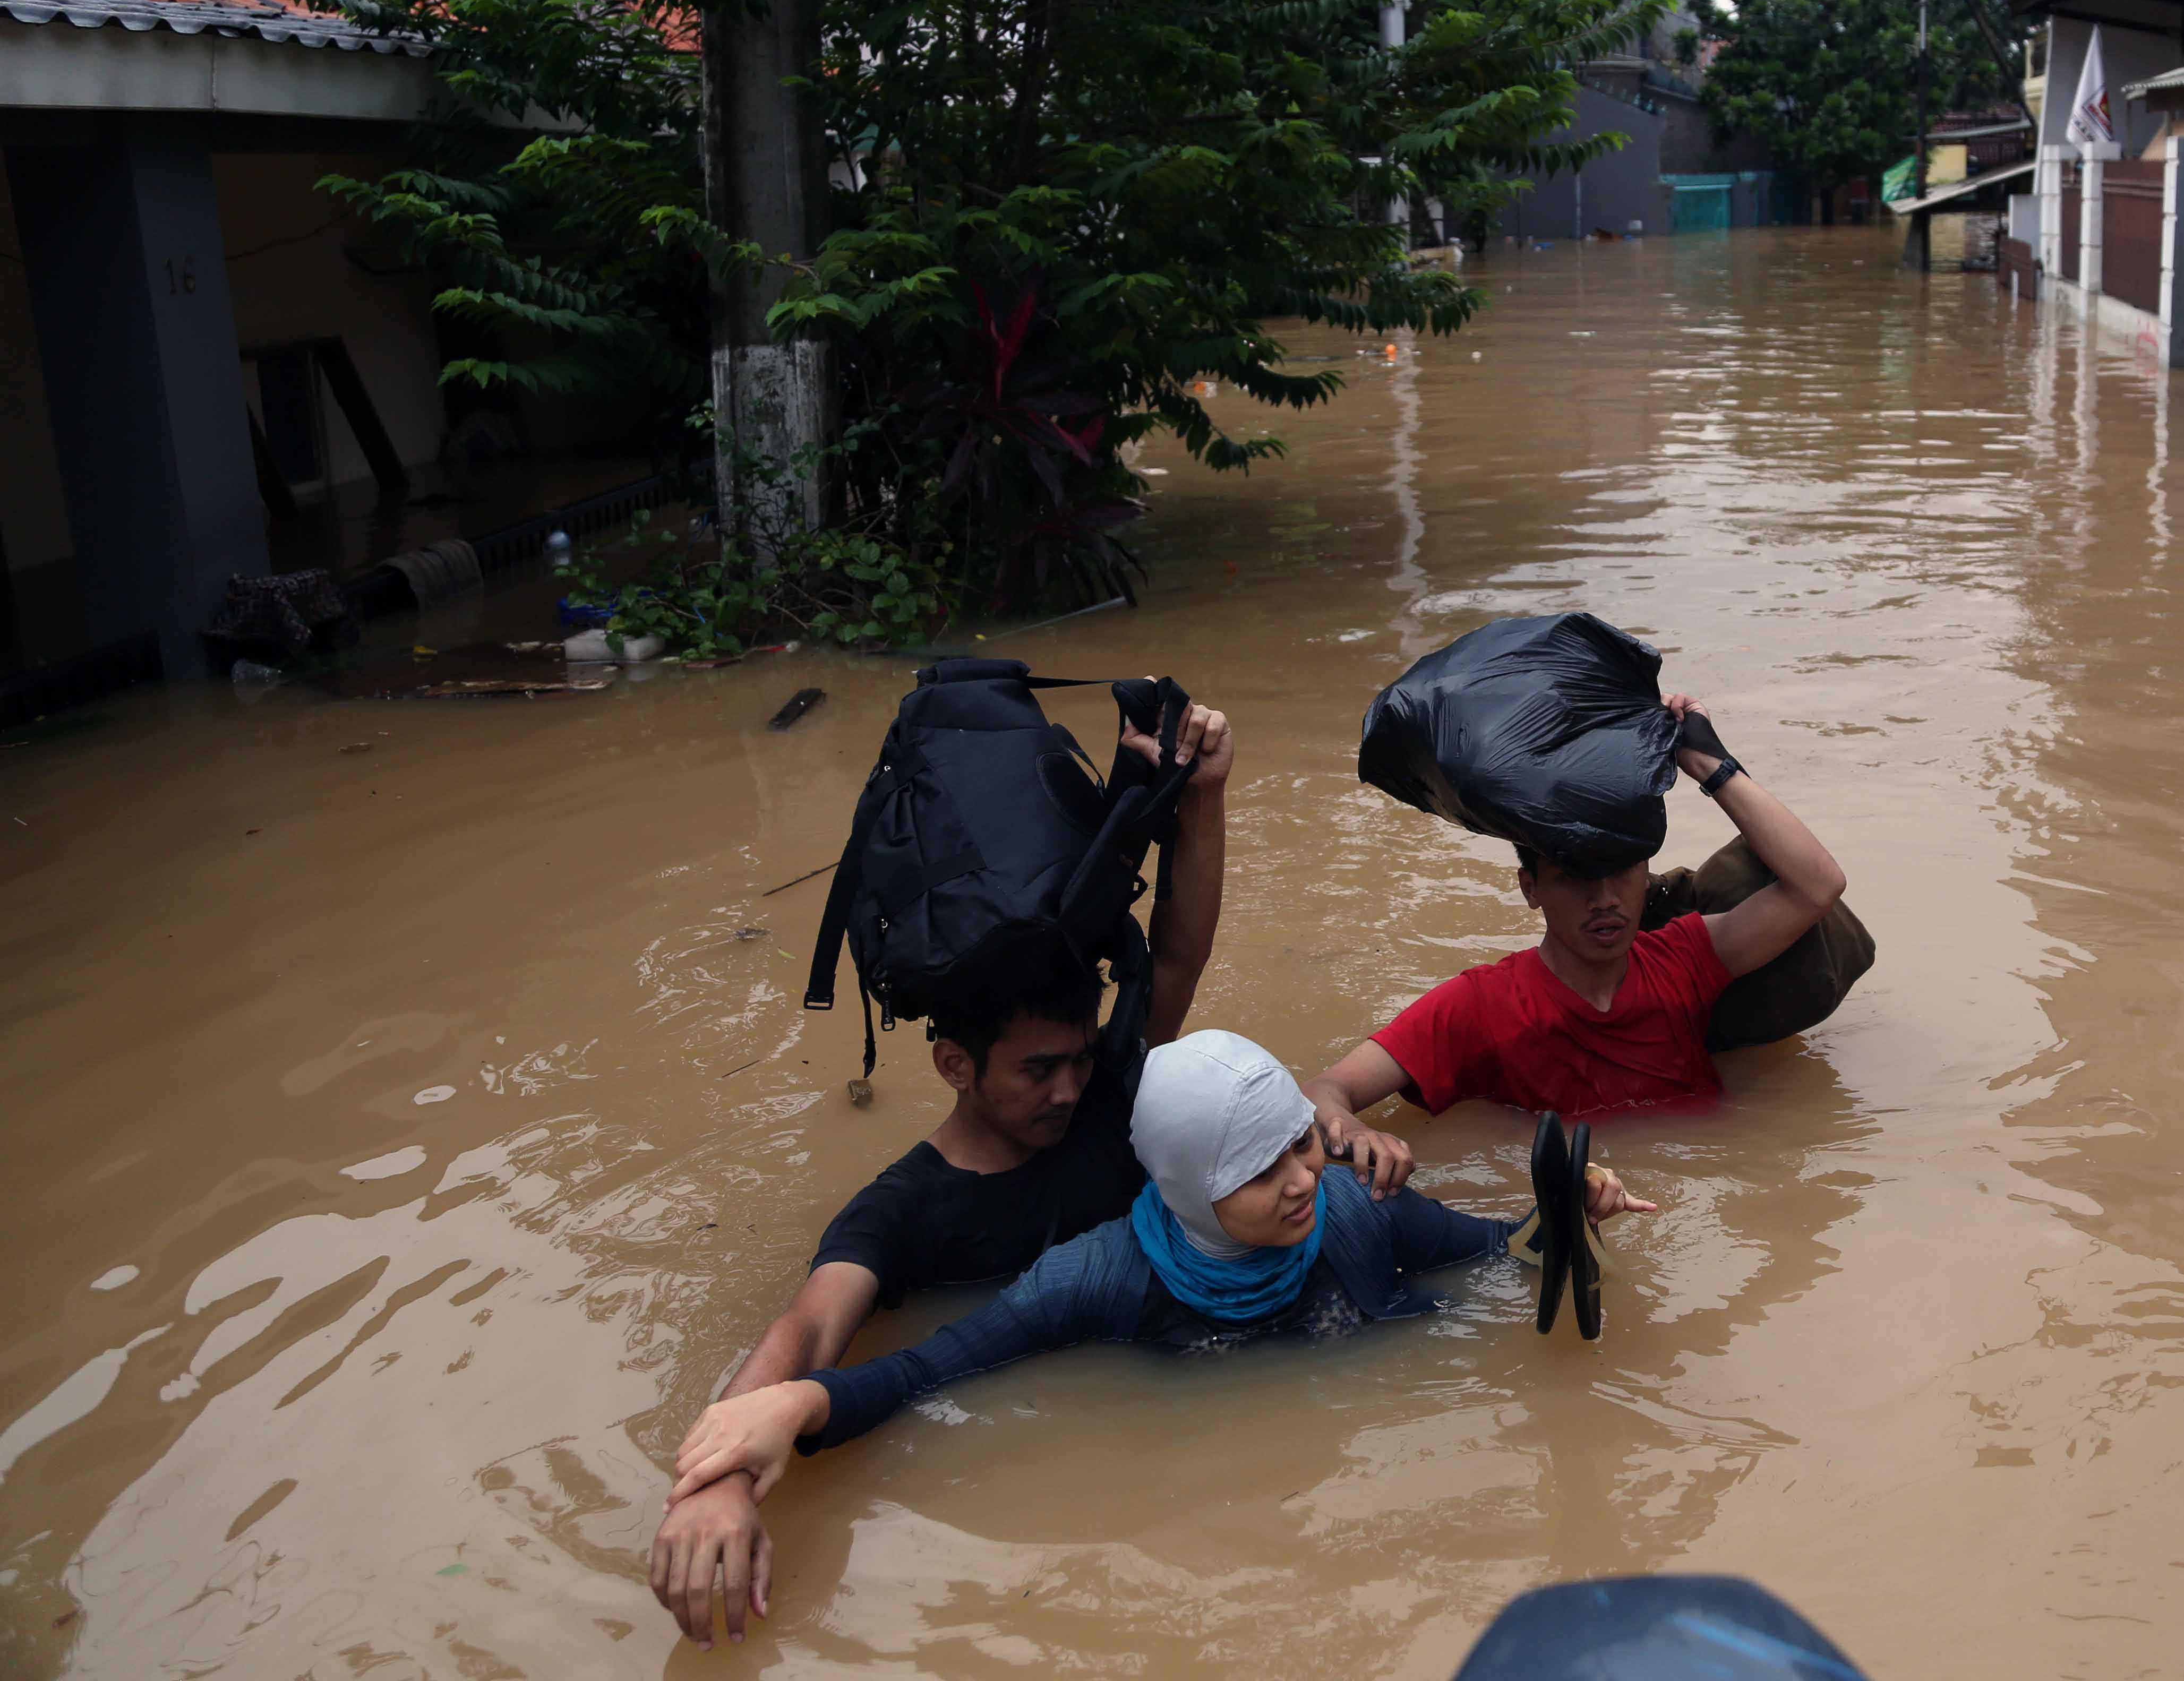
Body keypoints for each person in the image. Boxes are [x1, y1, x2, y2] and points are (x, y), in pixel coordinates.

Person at [647, 698, 1234, 1649]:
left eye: (1080, 1058)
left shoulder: (1103, 1099)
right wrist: (711, 1484)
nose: (1069, 1087)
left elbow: (1176, 954)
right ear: (955, 1065)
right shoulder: (906, 1208)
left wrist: (1205, 796)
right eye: (1038, 1070)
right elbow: (809, 1325)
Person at [656, 1032, 1655, 1546]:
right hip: (1228, 1488)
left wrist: (1568, 1219)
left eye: (1300, 1142)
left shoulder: (1360, 1210)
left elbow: (1497, 1257)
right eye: (1261, 1171)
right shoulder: (1096, 1279)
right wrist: (792, 1404)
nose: (1303, 1177)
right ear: (1184, 1184)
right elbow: (931, 1370)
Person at [1308, 693, 1845, 1190]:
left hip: (1714, 1182)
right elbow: (1321, 1092)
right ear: (1531, 888)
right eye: (1575, 877)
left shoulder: (1684, 959)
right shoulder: (1482, 1006)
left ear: (1646, 874)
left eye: (1622, 873)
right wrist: (1354, 1133)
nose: (1606, 899)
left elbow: (1817, 885)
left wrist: (1710, 763)